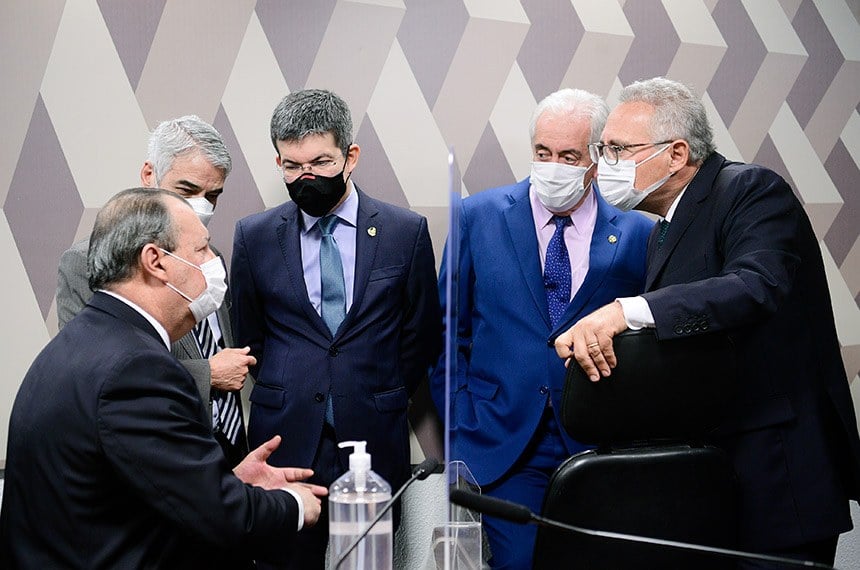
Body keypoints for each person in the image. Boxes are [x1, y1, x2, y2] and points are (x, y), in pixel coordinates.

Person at [555, 77, 860, 568]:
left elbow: (755, 286)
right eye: (601, 148)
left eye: (616, 149)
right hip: (715, 489)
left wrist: (625, 311)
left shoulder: (750, 190)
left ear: (676, 154)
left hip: (778, 482)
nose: (602, 164)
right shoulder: (663, 230)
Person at [0, 188, 327, 569]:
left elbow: (135, 486)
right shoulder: (136, 368)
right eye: (202, 250)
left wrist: (229, 481)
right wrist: (292, 504)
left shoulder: (83, 343)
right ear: (155, 260)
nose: (213, 264)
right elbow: (222, 518)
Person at [429, 88, 654, 569]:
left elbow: (648, 341)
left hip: (599, 442)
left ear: (595, 158)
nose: (553, 165)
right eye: (542, 153)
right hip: (502, 442)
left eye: (569, 156)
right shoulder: (476, 217)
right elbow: (446, 335)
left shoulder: (638, 233)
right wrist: (460, 429)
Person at [230, 88, 442, 569]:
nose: (305, 177)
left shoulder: (403, 232)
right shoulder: (254, 236)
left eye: (320, 162)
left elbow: (421, 334)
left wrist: (378, 390)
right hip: (284, 441)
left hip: (374, 436)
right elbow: (250, 336)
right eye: (291, 166)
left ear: (351, 156)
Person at [56, 116, 253, 467]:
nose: (202, 207)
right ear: (149, 176)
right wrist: (208, 375)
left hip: (229, 452)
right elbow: (94, 379)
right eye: (187, 190)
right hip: (163, 457)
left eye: (213, 195)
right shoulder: (85, 263)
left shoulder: (213, 257)